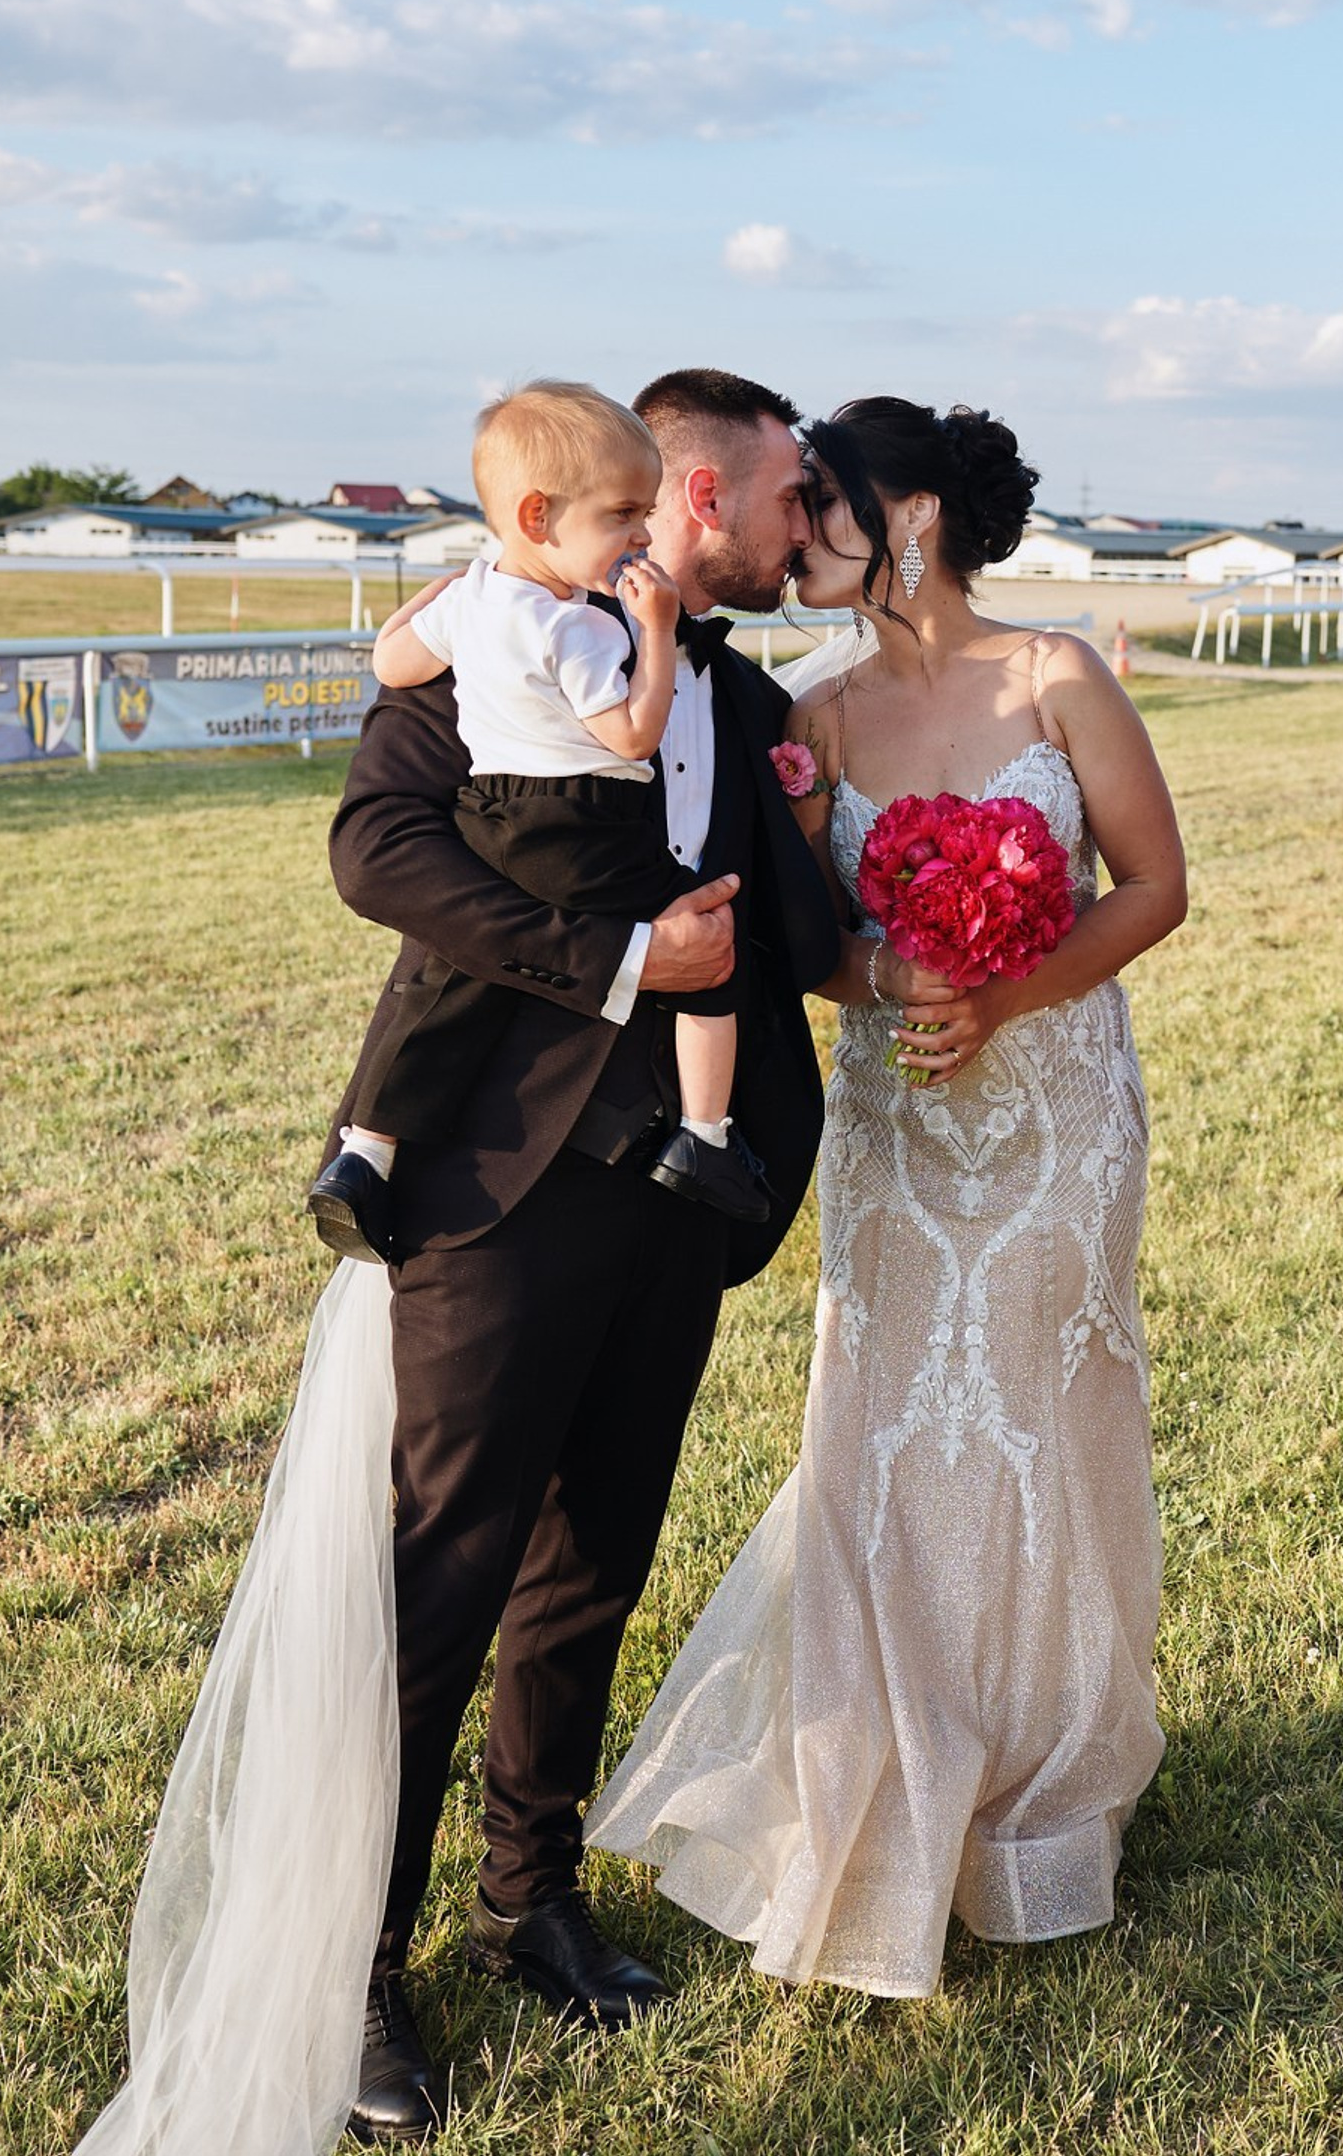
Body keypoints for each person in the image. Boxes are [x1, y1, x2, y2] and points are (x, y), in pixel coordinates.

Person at [586, 396, 1188, 1999]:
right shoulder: (817, 720)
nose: (802, 535)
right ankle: (894, 1771)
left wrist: (1009, 991)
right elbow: (805, 944)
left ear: (907, 514)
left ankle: (1039, 1790)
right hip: (901, 1142)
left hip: (1057, 1119)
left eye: (827, 504)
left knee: (1039, 1434)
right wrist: (886, 973)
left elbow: (1157, 887)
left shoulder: (1058, 678)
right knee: (886, 1428)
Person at [327, 368, 836, 2139]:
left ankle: (528, 1897)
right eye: (785, 497)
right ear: (688, 497)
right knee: (438, 1587)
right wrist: (625, 967)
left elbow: (807, 927)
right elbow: (379, 851)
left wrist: (975, 862)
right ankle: (355, 1970)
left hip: (676, 1196)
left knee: (592, 1565)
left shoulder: (748, 698)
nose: (801, 527)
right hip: (496, 1182)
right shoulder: (497, 641)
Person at [307, 381, 769, 1264]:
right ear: (538, 515)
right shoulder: (583, 630)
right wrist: (657, 632)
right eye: (626, 512)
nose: (642, 532)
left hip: (493, 814)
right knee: (711, 949)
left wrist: (431, 607)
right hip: (585, 818)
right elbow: (634, 730)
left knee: (447, 981)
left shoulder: (470, 602)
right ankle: (706, 1138)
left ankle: (365, 1153)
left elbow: (393, 661)